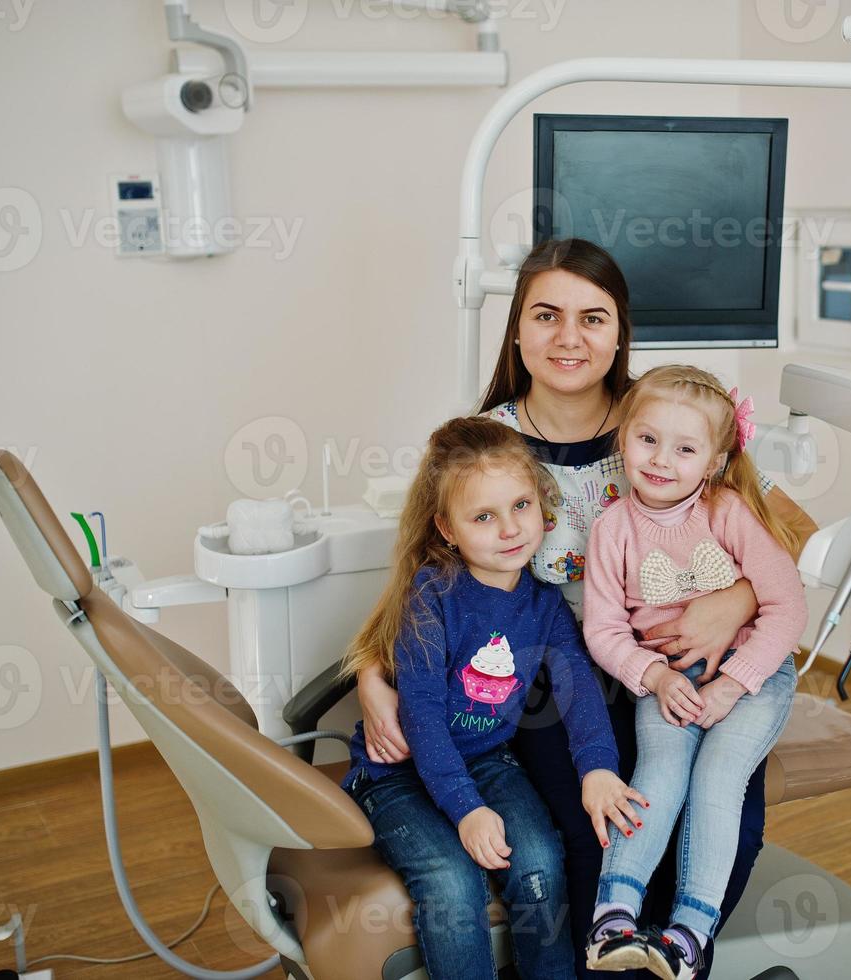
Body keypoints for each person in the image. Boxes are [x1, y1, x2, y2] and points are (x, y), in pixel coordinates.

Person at [354, 238, 818, 979]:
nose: (569, 338)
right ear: (515, 330)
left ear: (619, 333)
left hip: (684, 665)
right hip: (549, 675)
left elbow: (783, 531)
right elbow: (424, 575)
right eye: (546, 316)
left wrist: (732, 602)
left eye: (592, 318)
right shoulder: (487, 445)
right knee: (597, 831)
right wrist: (370, 676)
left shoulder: (661, 424)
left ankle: (677, 954)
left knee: (724, 821)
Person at [339, 417, 646, 980]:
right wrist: (468, 811)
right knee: (452, 884)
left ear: (542, 505)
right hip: (398, 773)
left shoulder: (545, 605)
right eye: (484, 516)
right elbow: (424, 721)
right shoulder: (430, 597)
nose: (510, 529)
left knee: (540, 861)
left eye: (521, 505)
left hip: (486, 760)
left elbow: (579, 694)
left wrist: (597, 771)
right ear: (447, 528)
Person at [580, 366, 807, 980]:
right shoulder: (611, 529)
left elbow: (787, 606)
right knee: (659, 772)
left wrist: (736, 681)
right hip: (669, 679)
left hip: (752, 676)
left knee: (717, 778)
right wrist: (653, 677)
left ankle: (689, 934)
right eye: (647, 439)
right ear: (623, 439)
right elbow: (602, 629)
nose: (661, 460)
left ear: (712, 460)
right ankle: (614, 918)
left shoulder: (728, 512)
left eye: (684, 448)